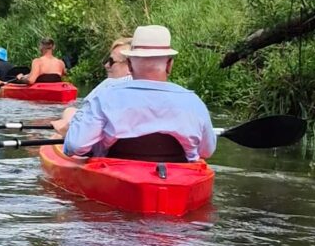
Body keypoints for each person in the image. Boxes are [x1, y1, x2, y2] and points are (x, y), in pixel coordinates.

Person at [62, 23, 216, 161]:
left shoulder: (104, 97)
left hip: (116, 178)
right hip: (176, 180)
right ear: (169, 65)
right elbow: (206, 152)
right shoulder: (194, 102)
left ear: (129, 64)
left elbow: (75, 146)